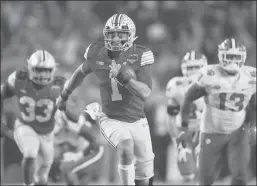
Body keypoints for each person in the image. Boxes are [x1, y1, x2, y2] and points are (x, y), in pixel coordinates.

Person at [56, 13, 155, 185]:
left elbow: (145, 93)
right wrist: (64, 95)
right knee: (126, 147)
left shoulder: (140, 54)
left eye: (120, 34)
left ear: (130, 34)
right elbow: (80, 73)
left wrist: (124, 78)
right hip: (110, 118)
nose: (115, 38)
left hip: (138, 119)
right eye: (111, 33)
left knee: (144, 177)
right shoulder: (97, 54)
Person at [177, 38, 256, 185]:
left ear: (243, 58)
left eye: (236, 57)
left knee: (240, 174)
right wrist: (184, 127)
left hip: (238, 131)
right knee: (205, 179)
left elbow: (253, 105)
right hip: (211, 131)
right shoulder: (210, 74)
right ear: (221, 56)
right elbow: (188, 99)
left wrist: (252, 126)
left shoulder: (251, 76)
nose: (232, 61)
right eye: (229, 56)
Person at [1, 50, 66, 185]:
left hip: (47, 132)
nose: (42, 74)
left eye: (46, 70)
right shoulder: (19, 79)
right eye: (38, 70)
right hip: (25, 125)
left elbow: (69, 110)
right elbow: (2, 94)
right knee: (30, 153)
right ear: (30, 68)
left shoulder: (60, 84)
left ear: (53, 70)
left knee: (42, 176)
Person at [166, 51, 207, 182]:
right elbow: (170, 117)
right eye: (190, 67)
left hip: (204, 132)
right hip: (184, 132)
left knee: (205, 171)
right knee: (187, 175)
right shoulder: (176, 85)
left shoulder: (212, 84)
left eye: (197, 67)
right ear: (184, 68)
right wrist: (174, 137)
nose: (194, 71)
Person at [51, 103, 104, 185]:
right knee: (68, 170)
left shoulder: (75, 121)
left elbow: (95, 143)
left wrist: (78, 155)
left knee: (69, 169)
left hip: (94, 150)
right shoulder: (64, 121)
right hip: (87, 150)